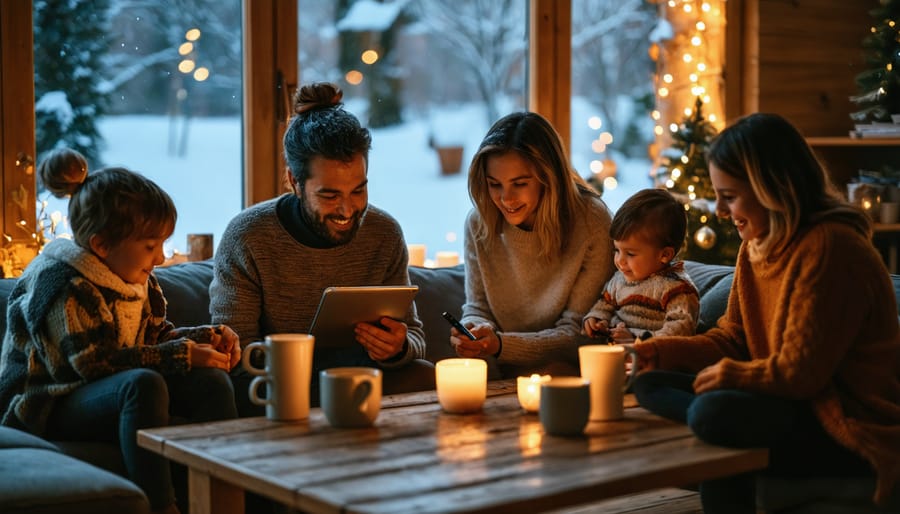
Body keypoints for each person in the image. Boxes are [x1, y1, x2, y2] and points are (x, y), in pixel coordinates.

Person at [629, 113, 900, 512]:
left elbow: (801, 374)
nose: (720, 210)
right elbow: (734, 338)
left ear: (773, 188)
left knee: (714, 410)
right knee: (648, 384)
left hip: (843, 421)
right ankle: (722, 433)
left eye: (730, 195)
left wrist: (731, 376)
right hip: (783, 402)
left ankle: (719, 434)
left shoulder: (830, 248)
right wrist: (662, 350)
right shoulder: (754, 247)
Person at [0, 153, 240, 514]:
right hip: (49, 402)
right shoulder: (62, 283)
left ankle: (226, 497)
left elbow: (153, 339)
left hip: (105, 390)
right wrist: (182, 355)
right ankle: (161, 506)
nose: (160, 257)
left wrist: (204, 337)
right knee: (141, 384)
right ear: (100, 245)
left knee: (211, 381)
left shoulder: (137, 278)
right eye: (150, 246)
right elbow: (94, 364)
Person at [210, 82, 434, 417]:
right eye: (329, 196)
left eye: (358, 191)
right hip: (278, 388)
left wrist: (398, 346)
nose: (347, 210)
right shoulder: (248, 237)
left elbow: (414, 335)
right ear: (293, 181)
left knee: (428, 377)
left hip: (363, 378)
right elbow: (235, 353)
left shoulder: (383, 233)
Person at [450, 111, 616, 378]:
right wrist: (474, 330)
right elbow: (478, 306)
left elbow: (578, 332)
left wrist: (502, 344)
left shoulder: (592, 221)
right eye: (495, 184)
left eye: (520, 183)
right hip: (499, 366)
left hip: (570, 370)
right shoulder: (479, 223)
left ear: (548, 177)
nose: (506, 198)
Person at [582, 188, 699, 342]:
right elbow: (605, 305)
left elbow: (680, 330)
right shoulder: (619, 280)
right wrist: (596, 320)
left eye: (630, 254)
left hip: (651, 358)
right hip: (616, 354)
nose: (620, 260)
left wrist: (636, 339)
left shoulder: (677, 289)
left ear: (664, 255)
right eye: (617, 250)